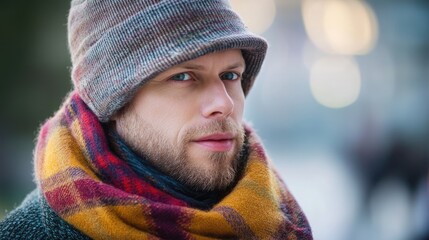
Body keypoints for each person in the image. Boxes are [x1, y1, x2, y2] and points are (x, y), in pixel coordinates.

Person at [0, 0, 312, 239]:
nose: (224, 103)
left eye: (231, 75)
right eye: (184, 76)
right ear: (111, 99)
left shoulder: (280, 220)